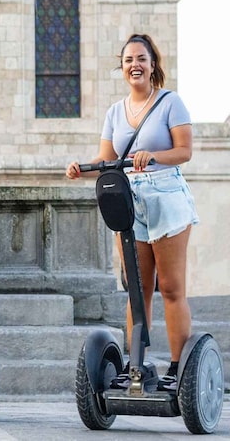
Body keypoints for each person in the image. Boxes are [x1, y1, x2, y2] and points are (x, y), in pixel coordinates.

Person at [66, 33, 197, 389]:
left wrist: (153, 156)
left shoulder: (171, 102)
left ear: (153, 64)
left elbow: (184, 151)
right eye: (128, 60)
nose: (134, 65)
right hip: (130, 201)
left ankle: (177, 369)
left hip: (166, 198)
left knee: (170, 288)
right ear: (122, 68)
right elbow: (108, 158)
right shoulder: (115, 111)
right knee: (137, 289)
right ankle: (136, 365)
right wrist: (84, 166)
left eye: (141, 58)